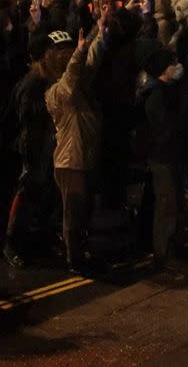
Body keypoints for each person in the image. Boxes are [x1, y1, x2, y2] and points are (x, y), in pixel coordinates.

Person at [45, 26, 105, 275]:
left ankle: (81, 252)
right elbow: (73, 73)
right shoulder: (58, 93)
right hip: (70, 163)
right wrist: (80, 52)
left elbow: (92, 61)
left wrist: (99, 31)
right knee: (74, 216)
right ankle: (75, 260)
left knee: (84, 211)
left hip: (84, 159)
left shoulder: (79, 88)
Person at [3, 31, 59, 267]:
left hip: (43, 148)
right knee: (25, 196)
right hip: (32, 149)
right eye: (53, 53)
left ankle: (36, 240)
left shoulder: (46, 79)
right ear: (42, 57)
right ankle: (11, 242)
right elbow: (26, 119)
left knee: (41, 197)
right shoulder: (32, 83)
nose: (58, 56)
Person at [141, 48, 188, 267]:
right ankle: (164, 251)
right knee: (167, 204)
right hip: (163, 156)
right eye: (173, 63)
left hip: (172, 154)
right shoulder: (156, 95)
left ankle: (176, 245)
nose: (177, 67)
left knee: (176, 202)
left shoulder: (167, 90)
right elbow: (165, 129)